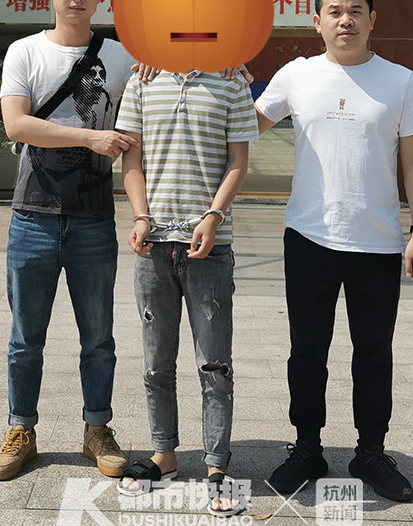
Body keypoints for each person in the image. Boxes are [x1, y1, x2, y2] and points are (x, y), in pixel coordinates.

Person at [254, 0, 413, 503]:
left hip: (377, 243)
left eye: (355, 11)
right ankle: (307, 447)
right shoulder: (297, 75)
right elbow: (247, 125)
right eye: (334, 11)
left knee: (373, 352)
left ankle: (371, 452)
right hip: (308, 237)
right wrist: (208, 75)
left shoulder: (400, 81)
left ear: (372, 19)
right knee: (306, 350)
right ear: (317, 21)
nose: (345, 20)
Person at [0, 0, 139, 481]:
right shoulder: (25, 51)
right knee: (25, 337)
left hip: (94, 218)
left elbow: (164, 92)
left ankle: (98, 428)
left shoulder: (123, 58)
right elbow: (17, 125)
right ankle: (20, 429)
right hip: (32, 215)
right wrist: (91, 138)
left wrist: (229, 68)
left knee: (98, 337)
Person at [114, 65, 258, 516]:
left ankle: (217, 465)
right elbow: (131, 163)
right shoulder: (142, 81)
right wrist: (141, 215)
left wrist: (214, 216)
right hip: (154, 246)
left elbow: (238, 162)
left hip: (209, 248)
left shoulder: (232, 81)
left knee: (214, 364)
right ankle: (164, 454)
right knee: (156, 362)